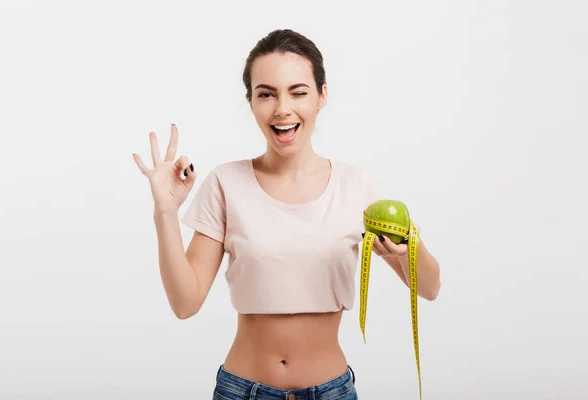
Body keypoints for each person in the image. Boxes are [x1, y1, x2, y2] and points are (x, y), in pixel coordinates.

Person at [133, 29, 441, 400]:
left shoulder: (356, 186)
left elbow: (429, 288)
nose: (282, 109)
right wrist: (165, 213)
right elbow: (185, 304)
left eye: (298, 92)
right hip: (241, 391)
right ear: (250, 102)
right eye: (266, 94)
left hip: (331, 392)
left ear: (322, 95)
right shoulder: (225, 183)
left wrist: (406, 249)